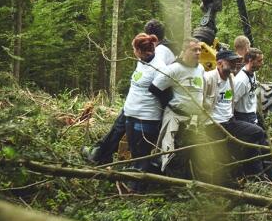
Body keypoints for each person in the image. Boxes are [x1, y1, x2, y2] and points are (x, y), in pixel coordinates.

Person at [82, 19, 173, 164]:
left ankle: (101, 153)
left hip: (144, 108)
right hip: (137, 104)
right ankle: (101, 152)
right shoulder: (166, 48)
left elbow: (158, 85)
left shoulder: (159, 52)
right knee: (118, 128)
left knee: (122, 131)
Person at [204, 50, 272, 183]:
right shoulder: (209, 78)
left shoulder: (231, 79)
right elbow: (200, 100)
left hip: (230, 121)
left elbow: (230, 101)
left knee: (257, 134)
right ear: (219, 63)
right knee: (225, 156)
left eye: (235, 61)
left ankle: (259, 176)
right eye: (231, 62)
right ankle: (242, 179)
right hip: (214, 124)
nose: (235, 64)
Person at [149, 38, 206, 172]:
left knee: (194, 154)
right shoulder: (174, 69)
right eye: (194, 50)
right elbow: (155, 88)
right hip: (176, 117)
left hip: (194, 120)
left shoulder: (201, 68)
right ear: (184, 51)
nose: (198, 52)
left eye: (199, 50)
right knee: (173, 155)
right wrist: (171, 103)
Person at [122, 33, 164, 191]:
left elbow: (163, 94)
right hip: (131, 114)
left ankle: (138, 188)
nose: (133, 51)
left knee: (143, 153)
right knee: (133, 150)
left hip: (146, 117)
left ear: (140, 50)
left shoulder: (159, 68)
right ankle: (134, 181)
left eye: (134, 49)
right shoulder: (142, 61)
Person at [233, 48, 263, 126]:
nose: (262, 63)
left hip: (252, 115)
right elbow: (232, 102)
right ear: (250, 60)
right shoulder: (241, 80)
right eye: (259, 61)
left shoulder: (253, 73)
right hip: (243, 117)